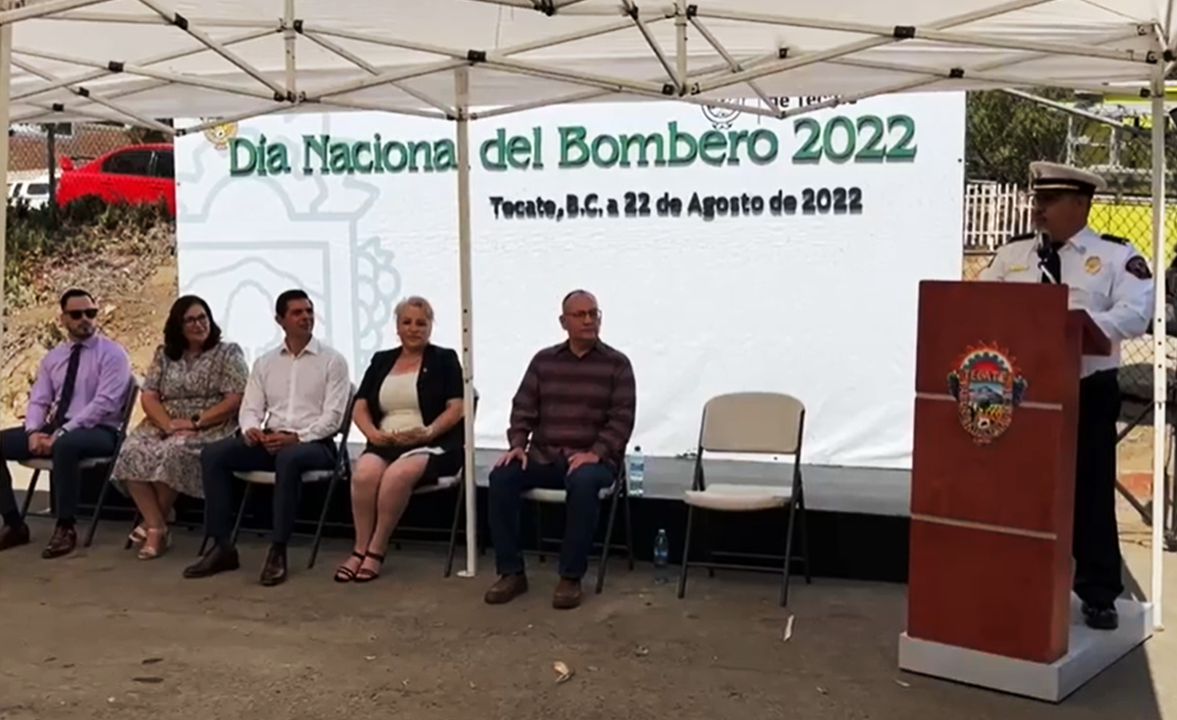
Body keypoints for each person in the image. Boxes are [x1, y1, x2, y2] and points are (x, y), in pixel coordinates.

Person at [979, 161, 1153, 630]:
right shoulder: (1013, 253)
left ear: (1080, 204)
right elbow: (981, 304)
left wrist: (1075, 329)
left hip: (1085, 388)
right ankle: (1020, 580)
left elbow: (1135, 313)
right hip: (1018, 391)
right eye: (1037, 199)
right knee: (1019, 488)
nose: (1038, 209)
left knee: (1089, 490)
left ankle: (1098, 592)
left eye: (1049, 201)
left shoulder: (1115, 256)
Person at [183, 289, 351, 586]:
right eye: (297, 312)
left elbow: (333, 419)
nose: (306, 317)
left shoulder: (332, 361)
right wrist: (252, 430)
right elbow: (250, 408)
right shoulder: (265, 362)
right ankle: (221, 546)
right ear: (280, 320)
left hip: (314, 444)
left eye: (309, 311)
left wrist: (296, 437)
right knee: (214, 454)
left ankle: (278, 550)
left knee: (288, 458)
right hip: (271, 440)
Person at [484, 290, 636, 609]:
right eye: (580, 315)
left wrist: (596, 452)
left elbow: (622, 419)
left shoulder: (617, 364)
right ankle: (511, 572)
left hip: (594, 460)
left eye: (593, 313)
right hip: (545, 455)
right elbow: (523, 406)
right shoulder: (544, 361)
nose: (588, 320)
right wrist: (517, 445)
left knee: (583, 481)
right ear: (563, 322)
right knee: (502, 476)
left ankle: (570, 576)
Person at [333, 296, 466, 583]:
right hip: (385, 441)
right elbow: (360, 405)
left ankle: (376, 549)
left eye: (421, 323)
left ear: (430, 327)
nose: (413, 328)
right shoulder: (381, 360)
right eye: (407, 322)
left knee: (397, 475)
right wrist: (371, 433)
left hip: (431, 443)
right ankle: (359, 549)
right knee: (364, 474)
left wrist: (429, 431)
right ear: (397, 326)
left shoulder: (445, 359)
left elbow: (457, 407)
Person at [111, 295, 249, 560]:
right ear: (178, 326)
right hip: (166, 421)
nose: (199, 324)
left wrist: (196, 422)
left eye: (202, 318)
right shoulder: (164, 354)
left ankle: (153, 528)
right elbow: (149, 395)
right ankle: (157, 523)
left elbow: (235, 399)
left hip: (211, 423)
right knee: (131, 450)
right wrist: (167, 424)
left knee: (175, 451)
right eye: (190, 320)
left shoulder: (228, 353)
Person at [0, 288, 132, 559]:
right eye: (76, 314)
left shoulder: (113, 354)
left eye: (90, 313)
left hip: (101, 430)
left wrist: (61, 433)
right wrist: (33, 432)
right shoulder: (53, 358)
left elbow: (104, 404)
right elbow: (39, 399)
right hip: (57, 427)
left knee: (66, 446)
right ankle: (13, 523)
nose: (85, 319)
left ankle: (65, 527)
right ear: (63, 319)